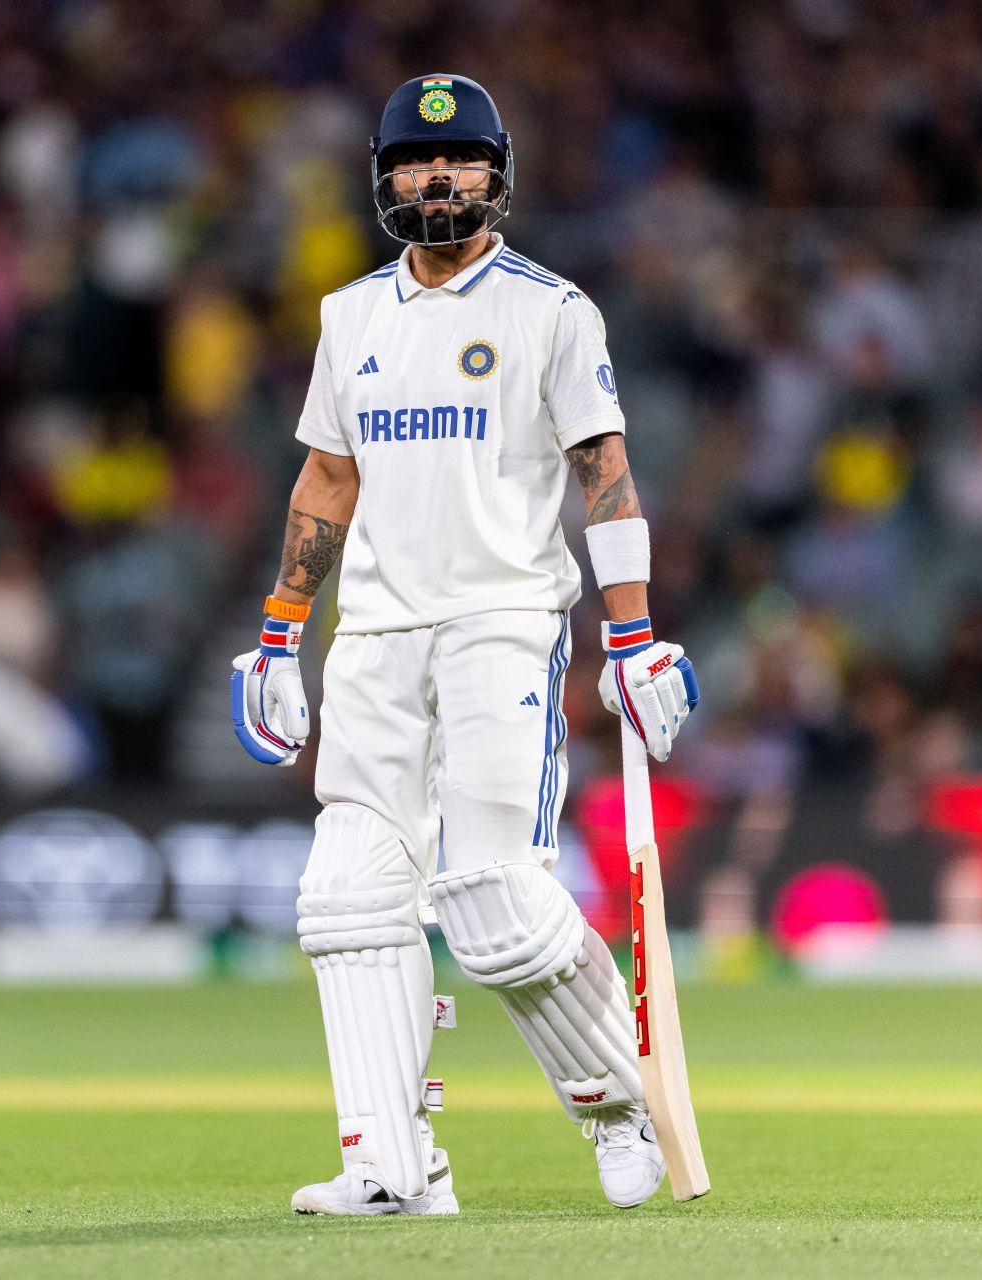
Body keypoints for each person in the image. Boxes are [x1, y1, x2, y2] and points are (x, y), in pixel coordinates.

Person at [230, 75, 700, 1216]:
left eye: (461, 162)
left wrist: (633, 637)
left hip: (503, 623)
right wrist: (278, 634)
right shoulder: (351, 318)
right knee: (346, 897)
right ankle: (392, 1168)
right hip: (377, 637)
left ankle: (615, 1101)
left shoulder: (553, 309)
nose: (437, 179)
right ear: (384, 178)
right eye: (413, 162)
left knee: (491, 896)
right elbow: (328, 478)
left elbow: (606, 471)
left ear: (496, 174)